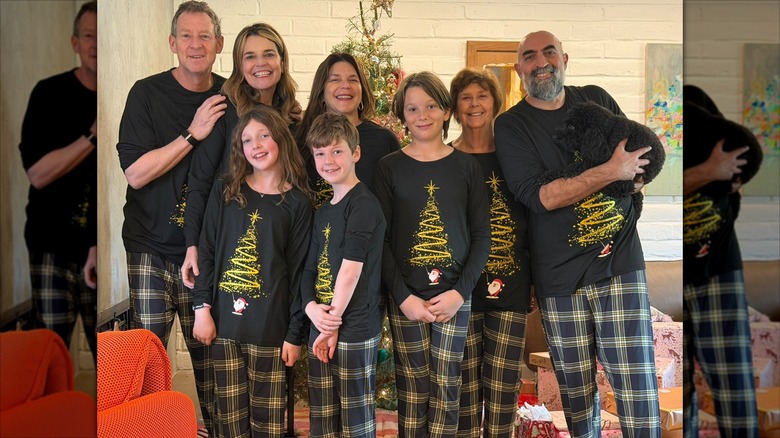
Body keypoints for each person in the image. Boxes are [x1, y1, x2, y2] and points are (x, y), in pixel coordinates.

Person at [494, 30, 660, 437]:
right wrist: (610, 172)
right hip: (559, 279)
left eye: (549, 52)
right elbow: (543, 196)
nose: (541, 61)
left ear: (565, 59)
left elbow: (642, 157)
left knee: (637, 392)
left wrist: (629, 185)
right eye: (530, 56)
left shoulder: (596, 99)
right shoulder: (511, 126)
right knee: (576, 398)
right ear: (519, 70)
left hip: (618, 267)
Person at [116, 1, 227, 434]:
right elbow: (136, 173)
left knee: (214, 365)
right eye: (186, 35)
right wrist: (191, 133)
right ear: (172, 43)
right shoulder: (146, 93)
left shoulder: (230, 97)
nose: (195, 44)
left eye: (205, 36)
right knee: (148, 365)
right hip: (150, 247)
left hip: (208, 252)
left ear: (219, 44)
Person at [373, 71, 491, 437]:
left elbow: (481, 236)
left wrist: (460, 293)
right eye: (412, 108)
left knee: (446, 385)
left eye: (430, 106)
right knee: (413, 386)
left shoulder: (466, 167)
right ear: (402, 115)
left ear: (444, 110)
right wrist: (403, 297)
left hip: (455, 295)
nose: (421, 114)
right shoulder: (389, 167)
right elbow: (383, 240)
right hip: (407, 296)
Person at [191, 105, 312, 437]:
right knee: (229, 422)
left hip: (271, 333)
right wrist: (202, 309)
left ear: (280, 139)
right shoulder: (227, 191)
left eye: (263, 135)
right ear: (239, 149)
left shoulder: (298, 203)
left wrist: (293, 334)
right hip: (224, 329)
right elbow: (208, 251)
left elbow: (300, 272)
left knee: (267, 424)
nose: (255, 145)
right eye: (246, 140)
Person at [182, 22, 300, 290]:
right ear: (239, 64)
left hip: (275, 245)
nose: (261, 63)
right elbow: (200, 182)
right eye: (250, 56)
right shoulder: (224, 111)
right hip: (228, 240)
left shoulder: (290, 116)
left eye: (269, 54)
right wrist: (192, 244)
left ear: (281, 60)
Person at [448, 68, 531, 437]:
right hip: (460, 291)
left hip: (512, 285)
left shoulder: (514, 158)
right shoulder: (447, 159)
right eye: (466, 97)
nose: (474, 104)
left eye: (482, 95)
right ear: (455, 106)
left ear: (495, 103)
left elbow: (533, 219)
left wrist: (535, 281)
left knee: (502, 392)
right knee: (463, 394)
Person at [18, 0, 97, 361]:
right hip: (51, 244)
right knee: (49, 356)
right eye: (88, 36)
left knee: (109, 361)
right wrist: (91, 137)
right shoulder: (49, 94)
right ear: (75, 43)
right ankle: (52, 417)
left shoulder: (126, 97)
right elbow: (38, 173)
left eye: (102, 37)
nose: (96, 45)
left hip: (101, 249)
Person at [301, 112, 387, 437]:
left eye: (337, 151)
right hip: (321, 323)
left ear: (355, 153)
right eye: (320, 153)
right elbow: (310, 268)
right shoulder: (324, 210)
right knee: (323, 418)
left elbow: (350, 271)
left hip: (353, 328)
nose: (328, 160)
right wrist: (312, 310)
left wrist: (332, 323)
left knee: (355, 419)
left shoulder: (363, 204)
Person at [682, 84, 758, 437]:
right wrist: (713, 170)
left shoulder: (718, 146)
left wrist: (721, 175)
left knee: (735, 387)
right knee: (683, 397)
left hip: (719, 271)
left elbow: (734, 197)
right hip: (681, 275)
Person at [295, 52, 401, 208]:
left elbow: (397, 202)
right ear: (322, 93)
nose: (345, 85)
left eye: (353, 80)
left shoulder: (383, 140)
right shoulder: (300, 138)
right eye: (335, 80)